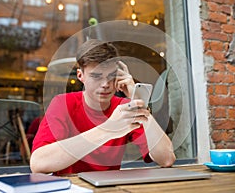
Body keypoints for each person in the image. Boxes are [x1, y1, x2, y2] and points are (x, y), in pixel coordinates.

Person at [30, 39, 176, 175]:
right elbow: (38, 163)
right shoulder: (63, 104)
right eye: (96, 76)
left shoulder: (124, 108)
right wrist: (108, 129)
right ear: (81, 76)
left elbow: (166, 158)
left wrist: (139, 103)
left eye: (111, 76)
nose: (105, 84)